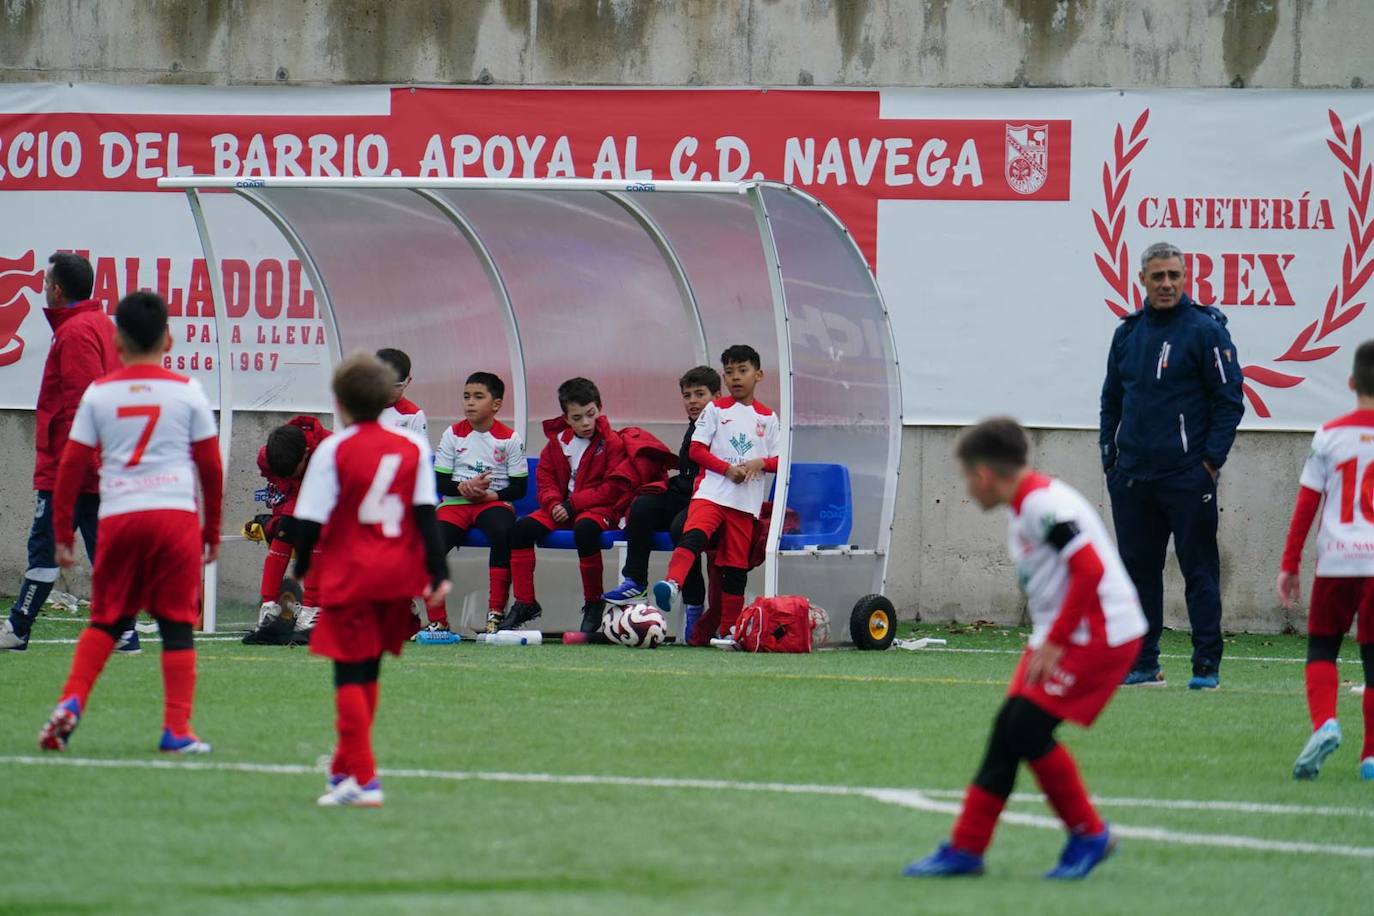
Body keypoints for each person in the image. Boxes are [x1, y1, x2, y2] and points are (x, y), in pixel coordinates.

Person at [905, 418, 1145, 880]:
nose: (967, 488)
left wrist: (1055, 642)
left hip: (1100, 633)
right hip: (1067, 633)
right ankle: (966, 849)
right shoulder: (1028, 502)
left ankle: (1089, 834)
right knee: (1008, 730)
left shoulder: (1040, 505)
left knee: (1027, 729)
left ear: (985, 475)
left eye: (966, 477)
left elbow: (1090, 571)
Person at [37, 291, 223, 754]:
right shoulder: (187, 391)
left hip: (119, 516)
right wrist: (211, 530)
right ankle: (176, 730)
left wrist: (63, 533)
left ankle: (72, 702)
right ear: (169, 338)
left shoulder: (100, 394)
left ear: (117, 342)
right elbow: (211, 468)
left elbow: (71, 467)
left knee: (106, 619)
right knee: (177, 624)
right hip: (173, 516)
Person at [288, 353, 450, 807]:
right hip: (398, 574)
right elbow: (424, 514)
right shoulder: (412, 447)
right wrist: (437, 572)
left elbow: (311, 520)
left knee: (347, 674)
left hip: (353, 573)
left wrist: (301, 563)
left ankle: (366, 779)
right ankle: (344, 770)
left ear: (338, 403)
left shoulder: (334, 450)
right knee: (369, 669)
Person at [1100, 240, 1245, 689]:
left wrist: (1209, 463)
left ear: (1186, 279)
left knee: (1199, 570)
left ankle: (1206, 667)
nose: (1166, 284)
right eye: (1157, 276)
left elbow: (1229, 401)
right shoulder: (1127, 333)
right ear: (1141, 279)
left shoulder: (1205, 331)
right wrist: (1112, 459)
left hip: (1187, 476)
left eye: (1174, 276)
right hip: (1133, 477)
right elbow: (1111, 401)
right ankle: (1143, 664)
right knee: (1137, 574)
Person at [2, 252, 139, 654]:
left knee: (44, 549)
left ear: (58, 290)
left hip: (72, 471)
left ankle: (18, 628)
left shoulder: (77, 332)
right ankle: (125, 632)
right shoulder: (96, 325)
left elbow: (83, 405)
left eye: (46, 283)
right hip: (92, 469)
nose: (43, 288)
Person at [1277, 340, 1374, 782]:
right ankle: (1370, 756)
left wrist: (1289, 563)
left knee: (1321, 649)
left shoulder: (1329, 434)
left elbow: (1306, 504)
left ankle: (1326, 724)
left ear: (1352, 382)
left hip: (1336, 561)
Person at [652, 345, 779, 640]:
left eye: (742, 371)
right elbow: (696, 450)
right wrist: (726, 469)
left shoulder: (768, 418)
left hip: (745, 504)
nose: (736, 378)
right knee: (693, 535)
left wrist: (761, 462)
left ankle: (729, 632)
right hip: (711, 493)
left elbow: (780, 459)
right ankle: (672, 584)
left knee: (735, 567)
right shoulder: (715, 409)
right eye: (730, 372)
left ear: (758, 375)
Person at [604, 366, 720, 640]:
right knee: (642, 506)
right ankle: (635, 581)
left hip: (707, 498)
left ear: (717, 396)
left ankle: (694, 605)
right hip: (684, 492)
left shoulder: (723, 428)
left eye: (700, 394)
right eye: (687, 395)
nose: (692, 401)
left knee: (682, 529)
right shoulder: (694, 426)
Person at [506, 377, 626, 633]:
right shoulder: (557, 443)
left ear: (600, 408)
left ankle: (594, 602)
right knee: (520, 530)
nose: (585, 422)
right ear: (566, 417)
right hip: (562, 509)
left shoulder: (612, 442)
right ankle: (525, 601)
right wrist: (553, 504)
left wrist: (573, 504)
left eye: (590, 414)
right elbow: (546, 480)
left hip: (598, 510)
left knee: (585, 530)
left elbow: (612, 488)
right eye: (576, 417)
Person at [431, 371, 528, 636]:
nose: (469, 403)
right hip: (455, 504)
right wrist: (463, 487)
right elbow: (440, 483)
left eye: (477, 397)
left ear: (496, 404)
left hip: (492, 503)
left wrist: (490, 495)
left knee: (502, 532)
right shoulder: (453, 434)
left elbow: (520, 488)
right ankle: (438, 621)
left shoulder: (509, 439)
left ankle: (495, 613)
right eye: (466, 397)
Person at [252, 416, 331, 635]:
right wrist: (279, 518)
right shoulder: (267, 457)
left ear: (306, 454)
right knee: (283, 533)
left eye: (293, 471)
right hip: (297, 496)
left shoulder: (331, 452)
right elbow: (279, 486)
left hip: (334, 503)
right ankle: (268, 606)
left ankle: (311, 608)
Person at [376, 347, 428, 440]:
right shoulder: (360, 410)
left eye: (396, 386)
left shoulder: (413, 415)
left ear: (408, 381)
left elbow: (421, 450)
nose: (389, 390)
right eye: (383, 384)